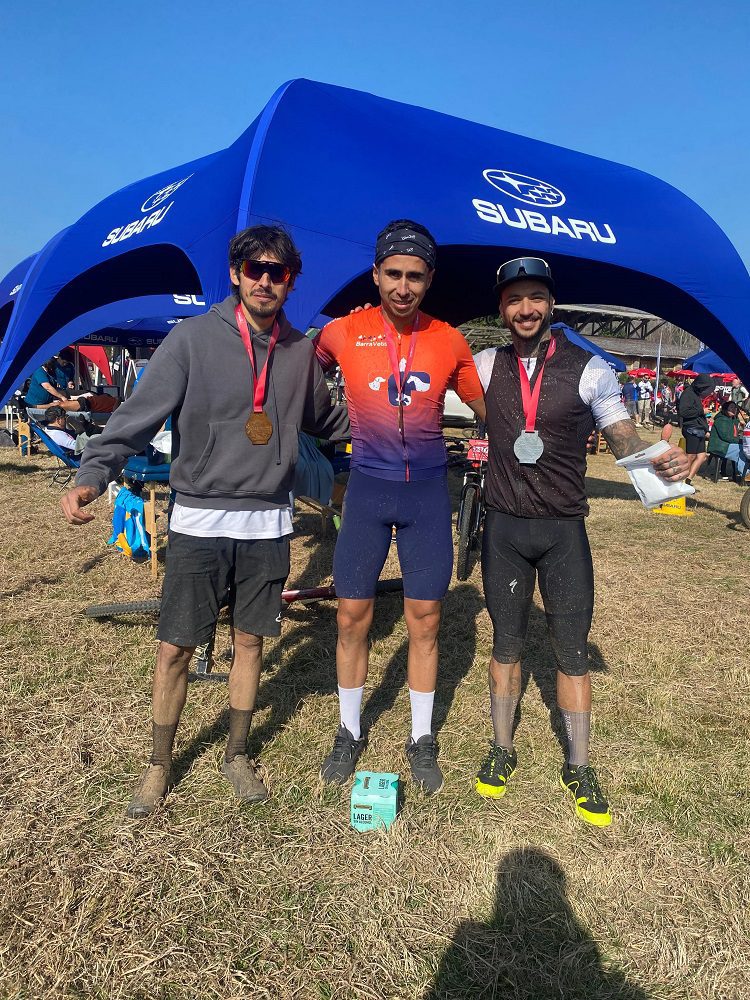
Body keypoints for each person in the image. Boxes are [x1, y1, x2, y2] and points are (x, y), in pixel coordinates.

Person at [61, 225, 349, 819]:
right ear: (236, 274)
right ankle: (158, 764)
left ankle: (237, 753)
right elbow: (139, 415)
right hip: (199, 519)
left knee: (250, 641)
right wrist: (93, 472)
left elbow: (328, 421)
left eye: (277, 272)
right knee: (175, 646)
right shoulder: (191, 339)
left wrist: (399, 424)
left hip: (267, 523)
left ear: (291, 281)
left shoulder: (299, 352)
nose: (265, 280)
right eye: (254, 269)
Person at [472, 257, 689, 826]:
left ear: (551, 304)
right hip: (504, 529)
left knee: (571, 650)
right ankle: (501, 749)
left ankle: (579, 765)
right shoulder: (484, 364)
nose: (525, 309)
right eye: (514, 299)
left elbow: (624, 441)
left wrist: (662, 462)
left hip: (563, 530)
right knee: (506, 645)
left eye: (535, 298)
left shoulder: (590, 368)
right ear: (501, 308)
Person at [314, 220, 485, 795]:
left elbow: (490, 409)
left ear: (429, 279)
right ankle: (348, 728)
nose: (403, 287)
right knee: (350, 616)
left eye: (415, 276)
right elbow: (296, 375)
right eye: (393, 274)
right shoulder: (342, 332)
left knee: (426, 620)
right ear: (375, 274)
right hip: (367, 489)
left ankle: (421, 736)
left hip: (427, 495)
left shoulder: (449, 339)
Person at [678, 373, 713, 484]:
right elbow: (683, 412)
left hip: (699, 428)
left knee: (702, 456)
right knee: (691, 456)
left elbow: (695, 411)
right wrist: (702, 411)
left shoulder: (695, 394)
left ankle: (688, 480)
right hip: (691, 428)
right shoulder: (687, 394)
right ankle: (680, 479)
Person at [708, 399, 746, 479]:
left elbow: (735, 433)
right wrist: (740, 441)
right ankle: (745, 475)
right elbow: (726, 437)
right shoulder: (721, 420)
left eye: (735, 408)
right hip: (720, 446)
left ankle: (742, 473)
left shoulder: (731, 419)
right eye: (731, 407)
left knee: (745, 449)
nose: (734, 409)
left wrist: (737, 420)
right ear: (725, 409)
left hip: (727, 445)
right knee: (743, 450)